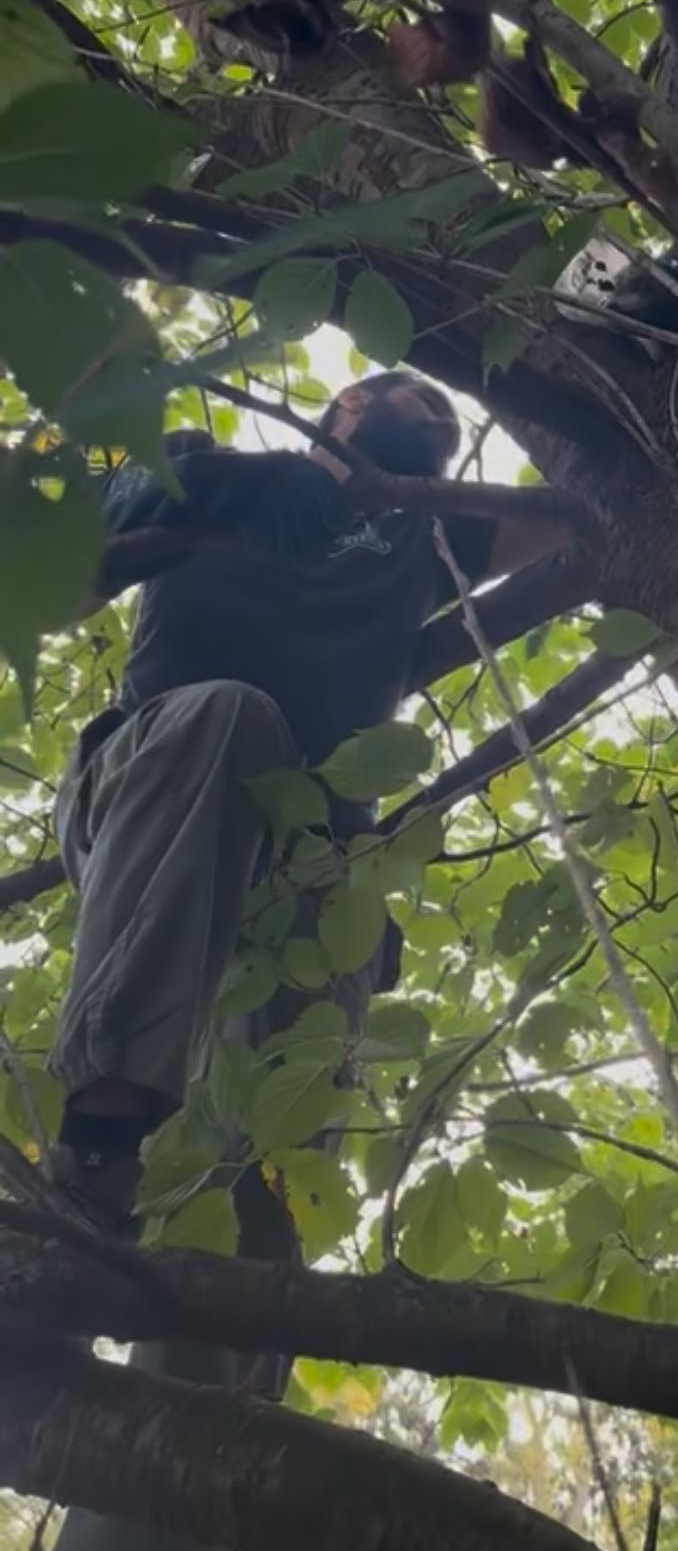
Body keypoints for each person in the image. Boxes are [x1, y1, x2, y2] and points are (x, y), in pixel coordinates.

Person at [46, 369, 570, 1551]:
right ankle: (91, 1164)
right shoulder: (214, 475)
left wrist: (630, 343)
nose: (425, 408)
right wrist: (155, 487)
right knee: (232, 716)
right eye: (397, 389)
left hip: (311, 884)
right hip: (160, 787)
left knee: (261, 1192)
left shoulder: (422, 538)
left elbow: (568, 515)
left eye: (443, 412)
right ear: (335, 412)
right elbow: (63, 568)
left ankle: (169, 1497)